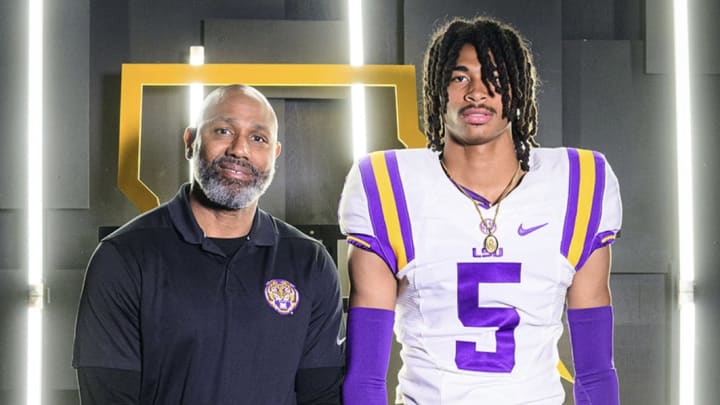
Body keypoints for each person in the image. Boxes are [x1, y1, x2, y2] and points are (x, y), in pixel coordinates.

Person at [339, 16, 621, 405]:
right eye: (459, 78)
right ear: (438, 90)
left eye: (495, 76)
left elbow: (595, 370)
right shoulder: (385, 183)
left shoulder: (580, 182)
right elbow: (365, 377)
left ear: (518, 90)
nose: (477, 92)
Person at [73, 85, 345, 405]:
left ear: (274, 154)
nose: (239, 149)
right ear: (191, 142)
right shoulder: (123, 256)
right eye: (223, 130)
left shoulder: (309, 262)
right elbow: (109, 396)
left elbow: (322, 395)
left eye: (258, 138)